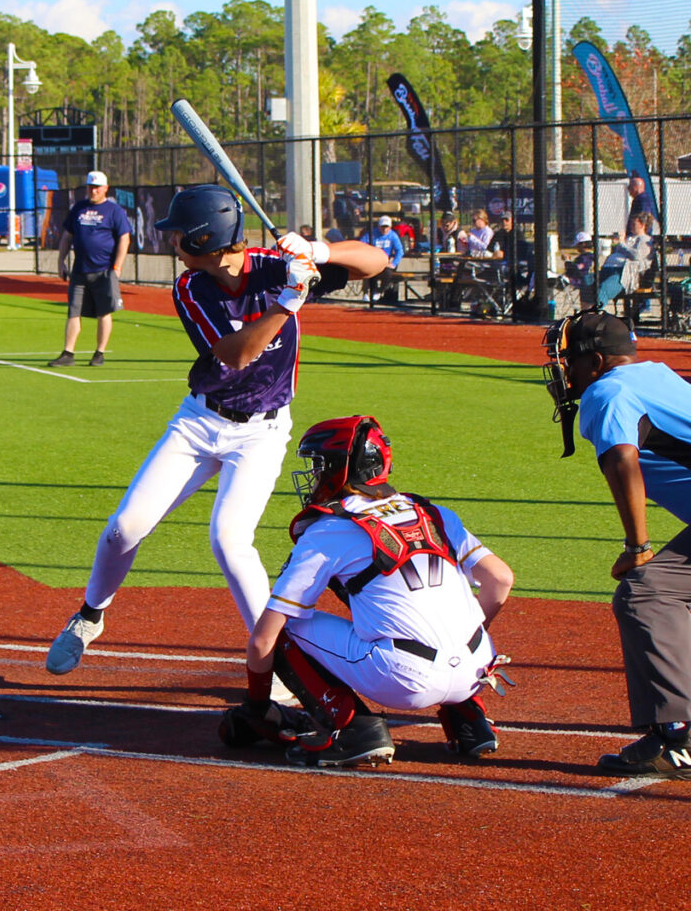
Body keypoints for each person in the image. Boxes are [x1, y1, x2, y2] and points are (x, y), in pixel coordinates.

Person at [45, 185, 387, 680]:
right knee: (126, 528)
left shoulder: (276, 266)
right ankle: (89, 616)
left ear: (205, 239)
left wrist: (319, 253)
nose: (172, 243)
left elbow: (375, 261)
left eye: (180, 235)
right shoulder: (191, 288)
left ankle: (282, 668)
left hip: (262, 433)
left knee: (230, 540)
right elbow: (235, 355)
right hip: (199, 423)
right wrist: (288, 304)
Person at [218, 415, 514, 767]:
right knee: (435, 621)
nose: (315, 474)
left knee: (282, 629)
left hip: (405, 680)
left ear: (342, 469)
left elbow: (263, 641)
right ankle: (469, 719)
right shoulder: (433, 511)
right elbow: (500, 579)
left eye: (320, 463)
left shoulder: (329, 530)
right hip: (476, 670)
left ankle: (355, 727)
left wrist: (256, 708)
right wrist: (460, 646)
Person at [542, 310, 691, 779]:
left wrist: (638, 545)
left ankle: (679, 741)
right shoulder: (657, 375)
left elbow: (623, 459)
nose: (564, 370)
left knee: (646, 593)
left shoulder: (608, 390)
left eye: (568, 360)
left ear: (597, 361)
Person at [49, 171, 131, 367]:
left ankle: (99, 353)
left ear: (105, 188)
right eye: (90, 187)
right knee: (73, 312)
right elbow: (66, 237)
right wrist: (61, 261)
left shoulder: (114, 211)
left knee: (104, 312)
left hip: (104, 270)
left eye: (97, 188)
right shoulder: (78, 208)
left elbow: (124, 238)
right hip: (79, 271)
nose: (93, 191)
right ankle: (68, 352)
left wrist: (117, 266)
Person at [596, 210, 654, 310]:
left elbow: (636, 256)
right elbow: (618, 252)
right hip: (608, 269)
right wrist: (617, 243)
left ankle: (595, 315)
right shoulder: (629, 238)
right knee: (587, 282)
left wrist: (622, 243)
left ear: (642, 225)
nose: (631, 226)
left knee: (604, 288)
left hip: (622, 274)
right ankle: (585, 315)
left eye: (634, 223)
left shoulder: (645, 240)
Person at [360, 215, 404, 302]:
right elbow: (361, 244)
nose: (384, 229)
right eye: (382, 226)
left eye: (386, 227)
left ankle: (379, 292)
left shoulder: (393, 236)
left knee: (388, 274)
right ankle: (368, 292)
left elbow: (400, 251)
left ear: (390, 227)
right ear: (378, 226)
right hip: (372, 261)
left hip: (385, 262)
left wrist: (394, 263)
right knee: (368, 272)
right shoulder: (372, 234)